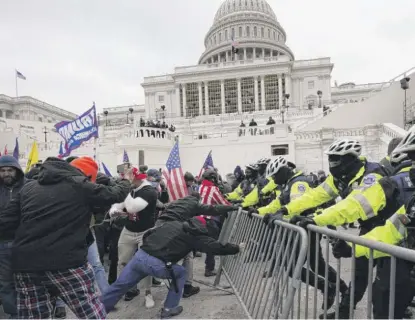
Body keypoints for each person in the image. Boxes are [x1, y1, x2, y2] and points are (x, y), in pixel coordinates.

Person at [271, 138, 389, 318]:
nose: (332, 163)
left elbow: (354, 206)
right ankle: (344, 312)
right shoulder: (339, 178)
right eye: (330, 159)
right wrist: (286, 209)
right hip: (369, 227)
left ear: (350, 159)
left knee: (388, 282)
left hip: (390, 228)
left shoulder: (373, 175)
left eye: (336, 159)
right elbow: (315, 196)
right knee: (359, 273)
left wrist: (316, 219)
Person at [0, 157, 130, 319]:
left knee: (34, 316)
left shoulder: (28, 187)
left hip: (26, 266)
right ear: (87, 176)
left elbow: (5, 221)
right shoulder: (80, 186)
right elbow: (117, 194)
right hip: (66, 263)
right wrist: (125, 180)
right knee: (90, 312)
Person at [101, 216, 243, 318]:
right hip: (156, 264)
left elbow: (150, 232)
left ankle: (97, 311)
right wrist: (237, 248)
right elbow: (216, 247)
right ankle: (169, 308)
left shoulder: (174, 223)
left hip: (140, 256)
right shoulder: (197, 236)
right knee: (181, 272)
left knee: (120, 285)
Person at [251, 157, 347, 309]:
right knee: (316, 265)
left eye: (275, 176)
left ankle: (329, 287)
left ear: (284, 171)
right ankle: (341, 289)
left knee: (293, 267)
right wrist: (259, 211)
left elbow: (297, 208)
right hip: (301, 230)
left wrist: (280, 216)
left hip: (304, 229)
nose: (274, 180)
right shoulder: (288, 184)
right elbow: (277, 204)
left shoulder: (299, 183)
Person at [156, 192, 238, 298]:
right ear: (198, 200)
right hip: (172, 229)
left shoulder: (177, 202)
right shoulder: (194, 203)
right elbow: (213, 209)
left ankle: (146, 287)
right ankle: (187, 287)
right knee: (188, 256)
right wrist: (231, 208)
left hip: (158, 228)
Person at [109, 167, 158, 308]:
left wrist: (125, 194)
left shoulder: (149, 191)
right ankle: (125, 290)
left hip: (145, 231)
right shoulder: (132, 189)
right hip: (129, 230)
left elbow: (132, 208)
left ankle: (147, 292)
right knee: (122, 261)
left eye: (131, 178)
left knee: (145, 263)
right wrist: (114, 209)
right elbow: (120, 204)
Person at [0, 155, 26, 318]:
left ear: (17, 171)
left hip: (24, 242)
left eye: (10, 170)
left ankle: (29, 311)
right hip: (2, 243)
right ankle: (13, 314)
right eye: (2, 171)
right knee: (6, 282)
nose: (6, 174)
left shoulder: (28, 187)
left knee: (26, 280)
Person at [199, 169, 232, 277]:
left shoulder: (200, 187)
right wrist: (233, 206)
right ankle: (209, 269)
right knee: (212, 244)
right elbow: (222, 203)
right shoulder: (213, 189)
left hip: (198, 219)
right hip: (209, 220)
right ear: (213, 178)